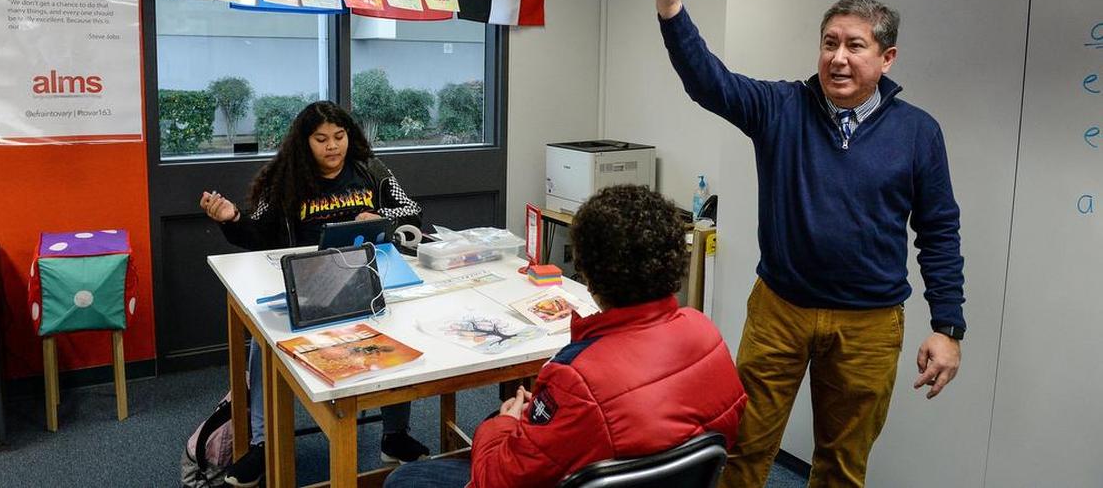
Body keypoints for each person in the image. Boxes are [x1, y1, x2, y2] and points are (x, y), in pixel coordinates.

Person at [654, 0, 965, 487]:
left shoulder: (918, 133)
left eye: (854, 45)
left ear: (887, 57)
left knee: (843, 465)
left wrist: (948, 326)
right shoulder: (780, 107)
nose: (838, 58)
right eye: (829, 43)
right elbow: (710, 81)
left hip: (869, 323)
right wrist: (671, 9)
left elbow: (938, 230)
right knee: (744, 447)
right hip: (781, 309)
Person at [384, 184, 747, 488]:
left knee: (406, 479)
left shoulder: (577, 376)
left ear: (587, 271)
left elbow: (498, 479)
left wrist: (502, 426)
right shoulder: (706, 332)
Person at [199, 101, 430, 487]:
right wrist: (233, 220)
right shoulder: (286, 179)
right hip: (309, 285)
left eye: (339, 137)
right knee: (261, 344)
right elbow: (258, 233)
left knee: (398, 333)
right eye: (321, 139)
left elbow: (411, 210)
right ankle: (262, 444)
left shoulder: (369, 169)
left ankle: (394, 435)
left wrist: (384, 219)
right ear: (305, 143)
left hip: (367, 280)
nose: (332, 146)